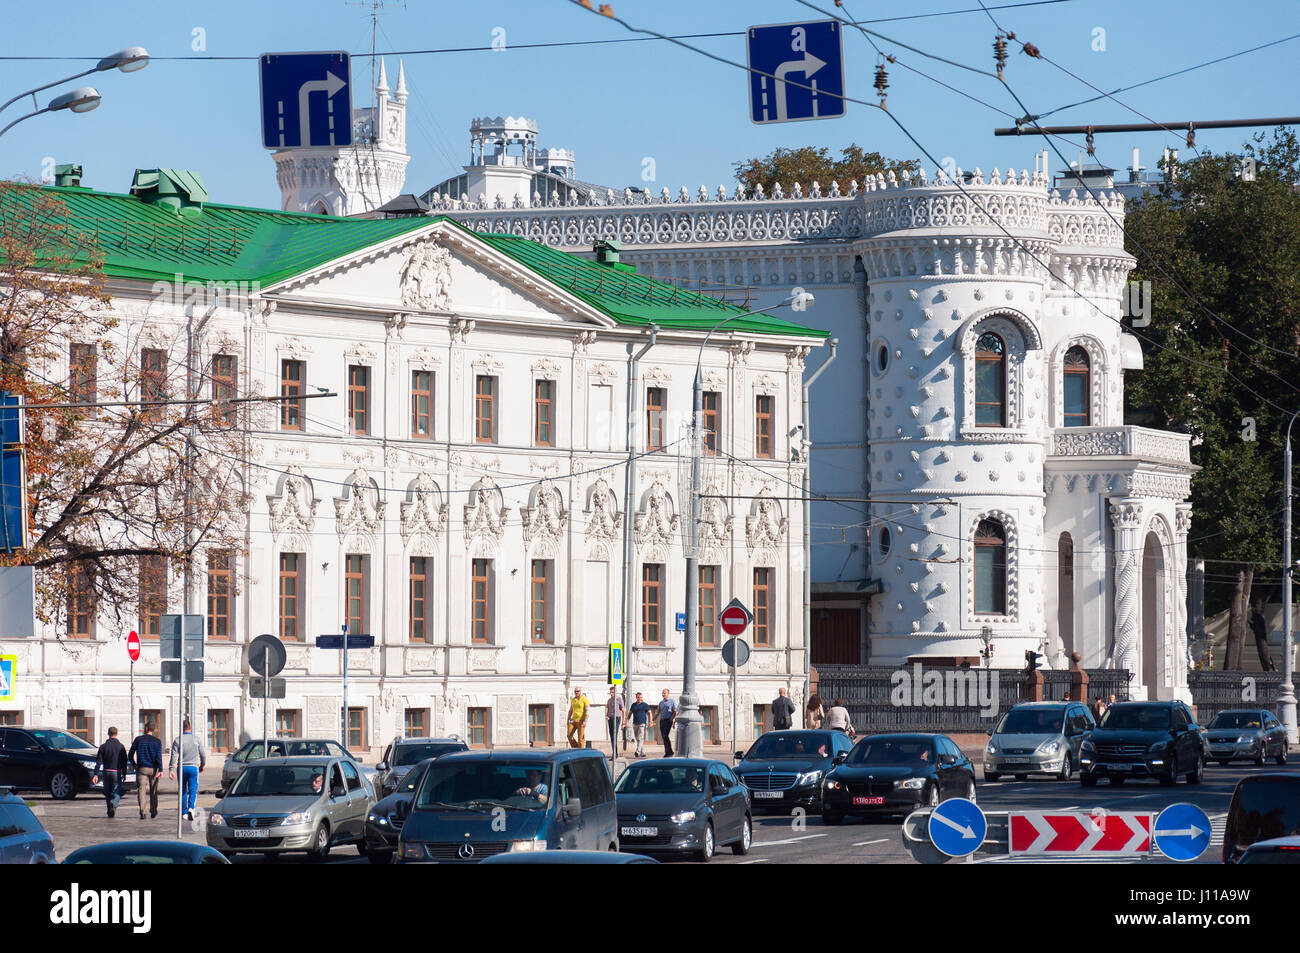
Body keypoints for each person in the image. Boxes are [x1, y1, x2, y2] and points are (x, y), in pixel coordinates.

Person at [168, 719, 207, 821]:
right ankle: (191, 808)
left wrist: (171, 769)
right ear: (190, 728)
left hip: (181, 767)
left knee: (183, 790)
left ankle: (184, 812)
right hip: (193, 767)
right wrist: (202, 765)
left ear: (182, 728)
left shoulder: (177, 740)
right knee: (193, 789)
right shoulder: (196, 739)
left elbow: (173, 755)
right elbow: (203, 754)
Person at [128, 722, 163, 819]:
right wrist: (160, 769)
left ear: (146, 728)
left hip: (142, 768)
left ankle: (142, 811)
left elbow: (130, 755)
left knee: (141, 790)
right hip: (154, 769)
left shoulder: (138, 740)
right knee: (154, 790)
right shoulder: (157, 741)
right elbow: (158, 756)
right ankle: (153, 810)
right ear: (154, 729)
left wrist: (135, 765)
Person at [91, 726, 128, 818]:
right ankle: (113, 803)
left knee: (107, 792)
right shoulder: (121, 746)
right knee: (117, 791)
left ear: (108, 734)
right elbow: (124, 761)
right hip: (116, 771)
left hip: (106, 771)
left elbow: (98, 761)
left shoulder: (103, 747)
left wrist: (95, 774)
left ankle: (110, 811)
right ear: (116, 734)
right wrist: (124, 773)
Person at [629, 691, 653, 758]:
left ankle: (637, 751)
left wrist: (650, 721)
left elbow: (650, 713)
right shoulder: (633, 705)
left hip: (642, 723)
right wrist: (626, 720)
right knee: (637, 738)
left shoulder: (645, 705)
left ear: (642, 698)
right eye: (638, 697)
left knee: (641, 738)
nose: (639, 698)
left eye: (640, 697)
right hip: (635, 723)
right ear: (636, 697)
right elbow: (630, 713)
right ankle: (643, 753)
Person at [605, 686, 626, 759]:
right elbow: (608, 709)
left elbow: (623, 710)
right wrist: (607, 716)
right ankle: (614, 753)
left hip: (617, 718)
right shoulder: (609, 700)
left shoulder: (619, 699)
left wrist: (623, 722)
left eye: (613, 692)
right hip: (610, 718)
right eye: (610, 692)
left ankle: (615, 754)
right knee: (611, 736)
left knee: (614, 735)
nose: (611, 694)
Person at [657, 689, 678, 757]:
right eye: (663, 693)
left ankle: (668, 752)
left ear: (668, 694)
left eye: (665, 693)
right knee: (664, 736)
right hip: (662, 720)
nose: (663, 694)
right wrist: (653, 719)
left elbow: (675, 711)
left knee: (665, 735)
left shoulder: (672, 701)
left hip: (668, 720)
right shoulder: (661, 703)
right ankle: (670, 751)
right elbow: (658, 712)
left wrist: (671, 719)